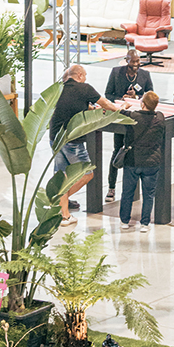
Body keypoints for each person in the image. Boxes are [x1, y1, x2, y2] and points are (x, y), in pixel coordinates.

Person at [49, 64, 117, 226]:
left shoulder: (58, 89)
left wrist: (88, 108)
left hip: (55, 138)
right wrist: (119, 109)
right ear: (79, 75)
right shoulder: (84, 88)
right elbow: (106, 104)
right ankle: (59, 203)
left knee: (61, 176)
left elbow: (69, 105)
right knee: (87, 174)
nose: (86, 78)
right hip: (72, 141)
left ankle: (64, 215)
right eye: (85, 75)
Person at [104, 49, 154, 203]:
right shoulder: (116, 73)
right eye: (133, 62)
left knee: (135, 153)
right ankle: (111, 188)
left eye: (138, 61)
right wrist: (122, 98)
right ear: (127, 60)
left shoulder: (145, 75)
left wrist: (137, 97)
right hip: (121, 118)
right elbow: (108, 94)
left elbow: (151, 95)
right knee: (117, 151)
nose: (136, 65)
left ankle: (132, 190)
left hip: (138, 120)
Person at [118, 90, 164, 233]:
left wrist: (124, 106)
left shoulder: (133, 116)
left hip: (133, 161)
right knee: (149, 194)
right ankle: (145, 223)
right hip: (152, 161)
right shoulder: (160, 118)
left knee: (127, 192)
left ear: (142, 103)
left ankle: (125, 221)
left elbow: (119, 113)